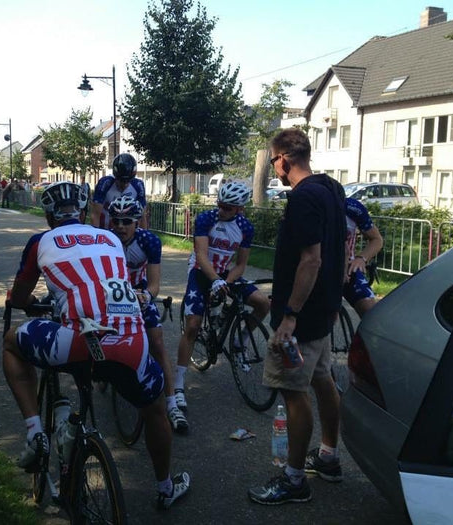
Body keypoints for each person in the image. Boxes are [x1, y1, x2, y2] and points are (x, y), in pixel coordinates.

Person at [3, 181, 190, 509]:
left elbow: (19, 297)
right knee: (155, 409)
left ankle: (35, 433)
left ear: (49, 217)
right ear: (87, 212)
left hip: (75, 341)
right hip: (130, 341)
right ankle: (165, 486)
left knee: (10, 344)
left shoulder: (41, 241)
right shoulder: (111, 240)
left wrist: (32, 304)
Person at [249, 128, 346, 505]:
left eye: (273, 161)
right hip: (323, 309)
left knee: (293, 392)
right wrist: (334, 298)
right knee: (323, 380)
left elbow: (312, 258)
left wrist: (289, 315)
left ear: (284, 159)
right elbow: (342, 244)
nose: (274, 168)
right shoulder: (331, 188)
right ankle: (329, 457)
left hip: (301, 316)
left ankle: (293, 480)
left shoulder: (304, 197)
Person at [174, 181, 270, 427]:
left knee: (262, 303)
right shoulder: (207, 219)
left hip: (226, 273)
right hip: (201, 272)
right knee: (193, 325)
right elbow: (202, 255)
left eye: (228, 208)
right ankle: (177, 386)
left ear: (239, 209)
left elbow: (240, 265)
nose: (222, 210)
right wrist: (215, 281)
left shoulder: (245, 227)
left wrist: (226, 281)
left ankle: (240, 342)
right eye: (220, 204)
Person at [107, 195, 188, 434]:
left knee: (157, 342)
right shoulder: (104, 240)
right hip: (110, 295)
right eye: (116, 220)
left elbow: (154, 284)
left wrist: (147, 297)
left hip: (140, 294)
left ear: (137, 221)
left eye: (127, 221)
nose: (121, 226)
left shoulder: (149, 241)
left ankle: (172, 404)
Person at [343, 198, 383, 317]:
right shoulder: (311, 204)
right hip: (317, 268)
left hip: (348, 267)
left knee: (372, 314)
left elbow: (377, 239)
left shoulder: (351, 207)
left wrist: (361, 258)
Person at [92, 153, 147, 230]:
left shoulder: (138, 185)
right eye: (121, 180)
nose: (124, 184)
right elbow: (95, 214)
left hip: (128, 233)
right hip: (106, 230)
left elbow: (142, 216)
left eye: (128, 181)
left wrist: (144, 238)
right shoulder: (105, 183)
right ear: (115, 176)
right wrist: (96, 236)